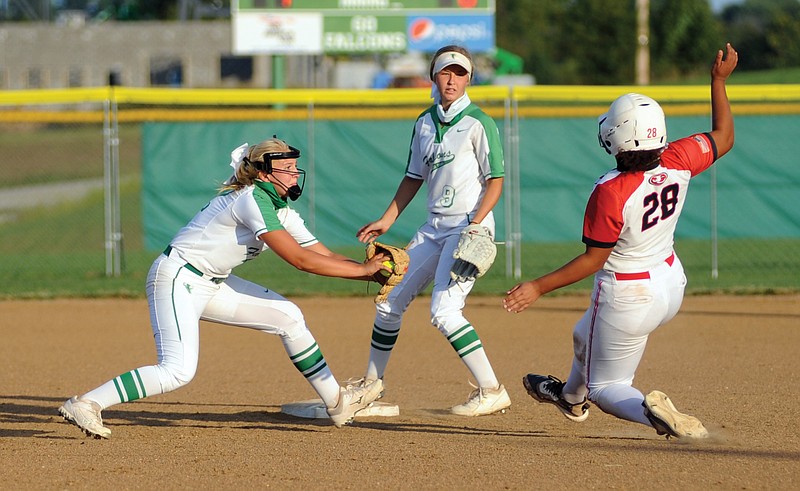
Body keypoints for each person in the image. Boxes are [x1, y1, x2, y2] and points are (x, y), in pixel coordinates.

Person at [58, 137, 388, 438]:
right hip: (178, 277)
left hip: (212, 283)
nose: (294, 173)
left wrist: (369, 271)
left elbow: (322, 254)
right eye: (285, 168)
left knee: (288, 316)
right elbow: (300, 261)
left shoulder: (281, 210)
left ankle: (338, 404)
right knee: (176, 371)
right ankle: (86, 403)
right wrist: (362, 272)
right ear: (262, 173)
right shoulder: (251, 201)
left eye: (294, 167)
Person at [503, 44, 738, 439]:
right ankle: (568, 398)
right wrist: (718, 81)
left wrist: (537, 286)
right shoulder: (679, 158)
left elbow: (594, 260)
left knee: (607, 387)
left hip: (627, 296)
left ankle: (655, 417)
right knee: (584, 334)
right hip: (670, 283)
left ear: (617, 138)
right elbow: (724, 136)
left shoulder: (610, 190)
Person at [353, 45, 511, 416]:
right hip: (433, 228)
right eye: (445, 72)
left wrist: (476, 225)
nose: (452, 79)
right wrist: (387, 219)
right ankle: (371, 387)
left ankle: (491, 390)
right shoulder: (424, 122)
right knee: (389, 301)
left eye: (459, 72)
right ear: (434, 77)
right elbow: (413, 177)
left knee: (445, 311)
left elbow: (496, 181)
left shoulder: (478, 123)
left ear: (469, 78)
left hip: (467, 227)